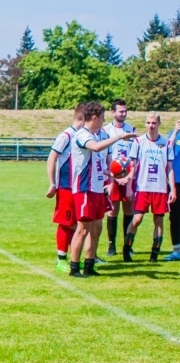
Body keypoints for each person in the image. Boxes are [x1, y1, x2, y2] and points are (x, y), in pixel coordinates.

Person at [69, 101, 136, 277]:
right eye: (102, 117)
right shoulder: (82, 135)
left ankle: (89, 265)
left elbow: (101, 163)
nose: (104, 120)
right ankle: (74, 267)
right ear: (94, 117)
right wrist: (120, 137)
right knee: (83, 229)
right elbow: (96, 148)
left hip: (98, 189)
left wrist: (115, 175)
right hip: (85, 188)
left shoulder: (99, 134)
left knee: (96, 228)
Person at [122, 113, 177, 262]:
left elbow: (169, 168)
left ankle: (154, 255)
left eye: (153, 123)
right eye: (148, 123)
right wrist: (129, 187)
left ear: (159, 124)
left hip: (159, 189)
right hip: (142, 187)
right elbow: (132, 166)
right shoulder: (138, 142)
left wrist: (172, 189)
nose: (151, 126)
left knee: (158, 221)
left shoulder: (166, 144)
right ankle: (126, 249)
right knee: (137, 219)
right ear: (145, 124)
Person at [46, 103, 85, 273]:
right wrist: (53, 183)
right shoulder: (67, 135)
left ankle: (74, 257)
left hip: (78, 186)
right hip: (65, 186)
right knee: (65, 222)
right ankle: (61, 259)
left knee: (77, 223)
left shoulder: (82, 136)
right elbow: (52, 158)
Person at [102, 99, 137, 256]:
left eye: (125, 111)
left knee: (129, 209)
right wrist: (111, 179)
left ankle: (127, 244)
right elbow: (104, 156)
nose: (123, 113)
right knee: (113, 210)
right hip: (112, 177)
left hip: (128, 177)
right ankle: (111, 245)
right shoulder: (106, 131)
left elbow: (135, 157)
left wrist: (129, 177)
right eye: (120, 111)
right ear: (113, 112)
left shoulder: (131, 130)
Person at [163, 120, 180, 261]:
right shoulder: (174, 134)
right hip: (176, 182)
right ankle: (176, 250)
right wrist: (175, 131)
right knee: (175, 217)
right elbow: (167, 148)